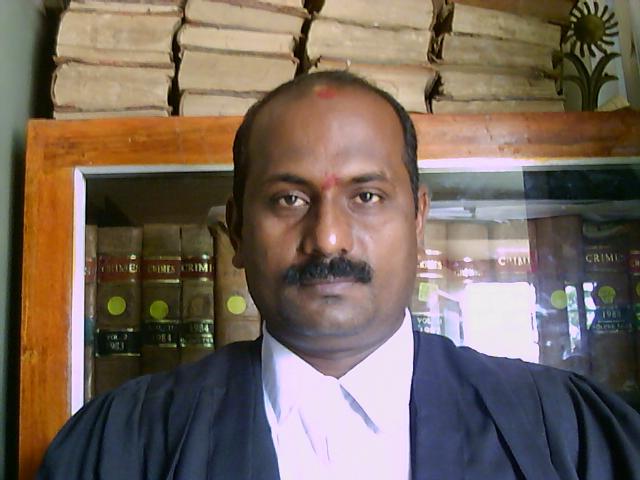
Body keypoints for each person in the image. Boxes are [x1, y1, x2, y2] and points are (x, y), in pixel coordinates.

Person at [39, 71, 640, 480]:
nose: (328, 238)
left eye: (367, 196)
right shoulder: (120, 445)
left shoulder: (565, 432)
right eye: (289, 200)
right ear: (237, 232)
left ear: (418, 219)